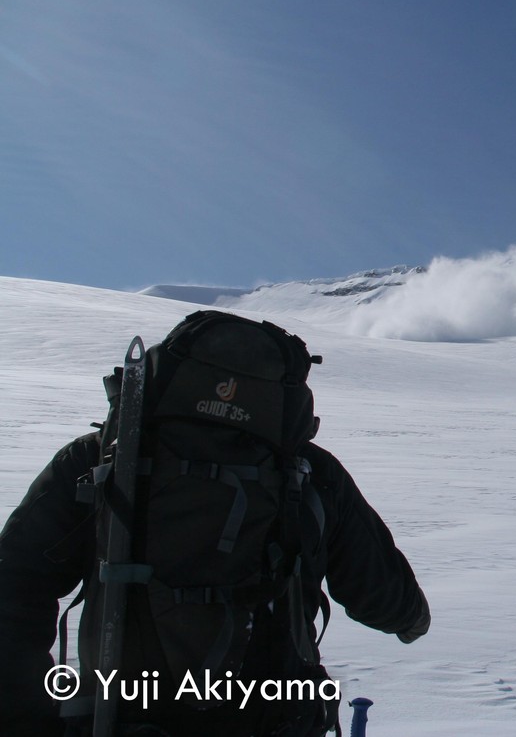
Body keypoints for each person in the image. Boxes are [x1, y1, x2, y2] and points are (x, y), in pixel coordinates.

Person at [0, 312, 431, 737]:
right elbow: (387, 599)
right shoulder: (313, 475)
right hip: (274, 722)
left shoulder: (103, 460)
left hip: (123, 718)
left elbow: (14, 582)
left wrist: (28, 719)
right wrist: (411, 621)